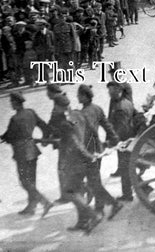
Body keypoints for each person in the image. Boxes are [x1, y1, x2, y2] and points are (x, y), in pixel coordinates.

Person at [48, 93, 102, 234]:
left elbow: (74, 142)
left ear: (58, 106)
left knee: (69, 191)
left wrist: (88, 155)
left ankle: (93, 215)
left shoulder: (65, 122)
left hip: (75, 160)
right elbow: (89, 132)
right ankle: (82, 222)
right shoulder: (77, 115)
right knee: (76, 191)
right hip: (82, 158)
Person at [1, 92, 54, 217]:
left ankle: (44, 202)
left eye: (11, 102)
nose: (11, 104)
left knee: (24, 181)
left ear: (16, 103)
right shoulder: (31, 112)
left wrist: (4, 137)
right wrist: (45, 138)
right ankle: (32, 206)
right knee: (31, 181)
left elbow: (10, 135)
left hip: (21, 152)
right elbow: (44, 126)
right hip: (32, 150)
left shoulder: (14, 119)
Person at [77, 84, 123, 220]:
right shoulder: (97, 109)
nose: (77, 97)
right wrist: (115, 139)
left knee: (93, 182)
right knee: (94, 179)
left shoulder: (84, 113)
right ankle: (99, 208)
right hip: (98, 149)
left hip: (89, 151)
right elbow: (107, 126)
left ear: (85, 97)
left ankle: (114, 204)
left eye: (79, 95)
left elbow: (86, 132)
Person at [107, 81, 135, 201]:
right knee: (129, 166)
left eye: (111, 91)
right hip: (130, 140)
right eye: (109, 91)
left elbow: (121, 129)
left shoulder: (119, 108)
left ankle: (127, 195)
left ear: (119, 91)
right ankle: (145, 188)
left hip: (124, 142)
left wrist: (113, 142)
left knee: (125, 169)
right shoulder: (127, 103)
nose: (109, 93)